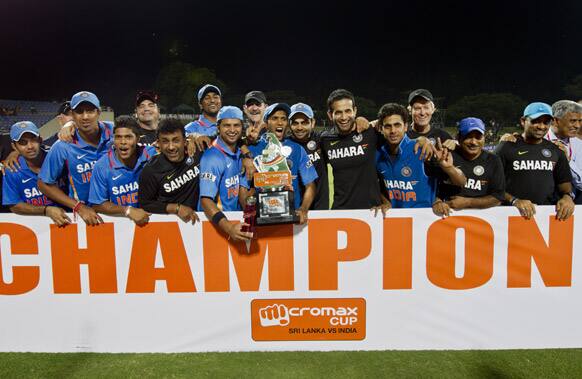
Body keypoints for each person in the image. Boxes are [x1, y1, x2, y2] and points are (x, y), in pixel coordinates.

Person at [38, 91, 113, 225]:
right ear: (72, 115)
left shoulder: (115, 132)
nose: (85, 116)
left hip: (119, 210)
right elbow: (43, 184)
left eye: (90, 111)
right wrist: (78, 206)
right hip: (87, 216)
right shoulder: (63, 145)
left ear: (98, 112)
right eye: (79, 111)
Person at [375, 103, 466, 209]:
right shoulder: (377, 155)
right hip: (395, 219)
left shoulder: (422, 149)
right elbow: (376, 185)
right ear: (381, 129)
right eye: (387, 126)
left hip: (423, 219)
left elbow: (461, 182)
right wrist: (386, 202)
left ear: (405, 127)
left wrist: (449, 168)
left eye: (397, 125)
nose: (393, 131)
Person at [494, 102, 575, 221]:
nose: (541, 126)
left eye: (546, 122)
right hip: (511, 216)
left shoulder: (556, 151)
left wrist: (567, 197)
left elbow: (565, 186)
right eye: (536, 121)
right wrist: (514, 201)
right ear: (523, 121)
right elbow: (493, 185)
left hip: (546, 217)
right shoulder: (506, 147)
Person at [246, 103, 318, 224]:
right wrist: (249, 211)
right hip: (261, 219)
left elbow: (310, 185)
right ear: (266, 122)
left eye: (283, 119)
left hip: (291, 218)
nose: (280, 123)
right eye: (274, 118)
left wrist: (303, 209)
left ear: (287, 124)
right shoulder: (252, 149)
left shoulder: (297, 149)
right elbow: (245, 188)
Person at [320, 89, 388, 211]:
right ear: (330, 115)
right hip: (340, 210)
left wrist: (422, 139)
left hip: (373, 211)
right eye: (338, 112)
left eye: (348, 111)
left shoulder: (370, 132)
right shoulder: (325, 140)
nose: (344, 117)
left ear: (355, 111)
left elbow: (398, 135)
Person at [88, 116, 156, 226]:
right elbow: (97, 204)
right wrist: (127, 210)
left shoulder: (150, 154)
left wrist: (189, 141)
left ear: (138, 139)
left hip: (154, 221)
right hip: (121, 227)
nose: (123, 142)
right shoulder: (102, 166)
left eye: (128, 137)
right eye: (118, 137)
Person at [199, 106, 253, 241]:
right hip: (215, 225)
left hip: (233, 221)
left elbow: (241, 192)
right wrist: (229, 228)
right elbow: (205, 200)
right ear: (218, 127)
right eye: (227, 125)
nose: (232, 130)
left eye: (236, 125)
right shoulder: (212, 157)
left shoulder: (240, 154)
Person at [432, 117, 505, 217]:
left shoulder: (493, 160)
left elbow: (498, 198)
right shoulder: (447, 156)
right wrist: (437, 202)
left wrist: (468, 202)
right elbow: (433, 188)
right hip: (447, 218)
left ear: (484, 137)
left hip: (483, 219)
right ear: (459, 138)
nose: (473, 142)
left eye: (478, 137)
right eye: (468, 137)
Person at [2, 121, 70, 225]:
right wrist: (46, 210)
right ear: (14, 146)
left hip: (72, 220)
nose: (30, 146)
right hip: (38, 228)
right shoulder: (12, 170)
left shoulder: (57, 157)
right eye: (23, 142)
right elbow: (14, 205)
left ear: (40, 140)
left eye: (33, 140)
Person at [138, 118, 201, 224]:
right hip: (169, 225)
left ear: (185, 141)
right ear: (158, 143)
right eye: (165, 141)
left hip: (201, 221)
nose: (171, 147)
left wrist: (197, 136)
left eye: (176, 140)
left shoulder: (196, 152)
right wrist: (176, 208)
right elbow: (145, 204)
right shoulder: (151, 170)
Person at [288, 102, 329, 210]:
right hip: (294, 207)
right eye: (295, 123)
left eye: (304, 122)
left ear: (313, 122)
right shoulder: (285, 146)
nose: (299, 127)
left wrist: (361, 121)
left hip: (320, 207)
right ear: (289, 124)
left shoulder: (322, 140)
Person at [549, 100, 582, 204]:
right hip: (538, 201)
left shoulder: (579, 145)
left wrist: (568, 161)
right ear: (555, 121)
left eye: (580, 121)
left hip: (569, 202)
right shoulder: (538, 138)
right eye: (573, 121)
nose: (577, 125)